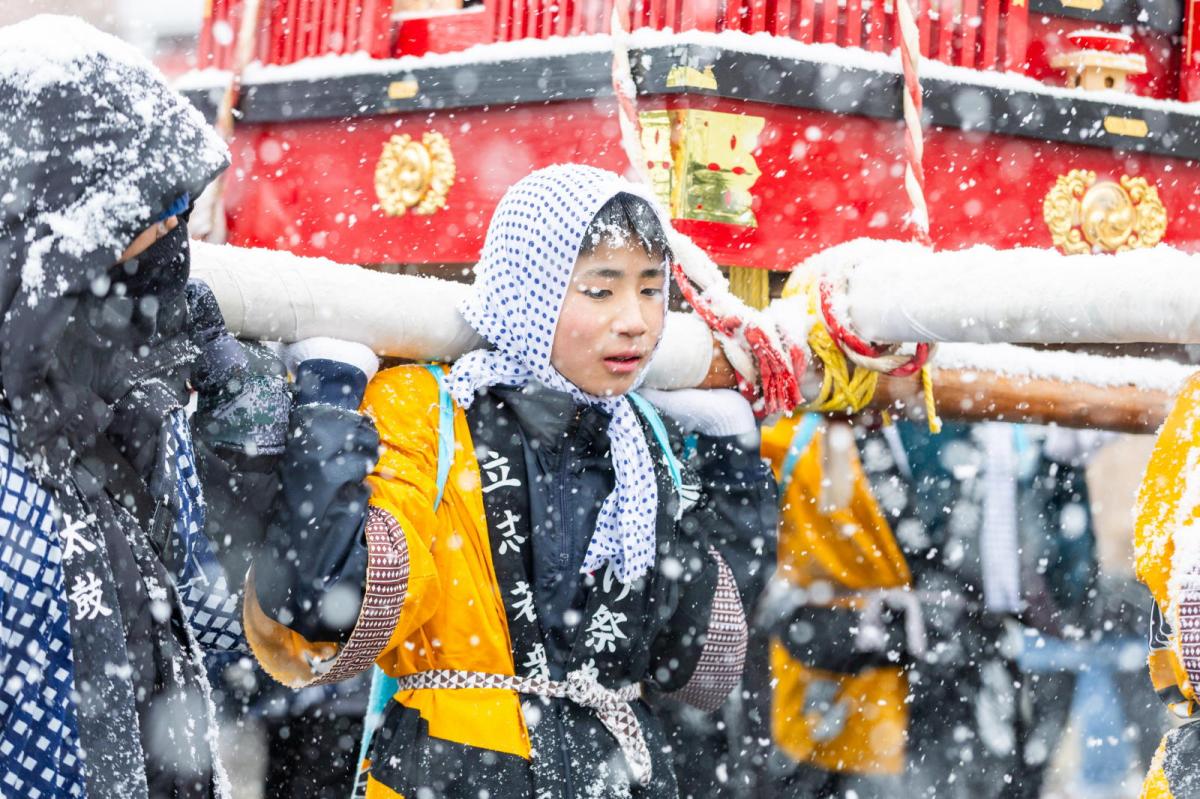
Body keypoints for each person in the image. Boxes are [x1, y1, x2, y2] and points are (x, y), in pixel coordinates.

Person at [242, 164, 769, 798]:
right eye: (600, 291)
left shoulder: (641, 439)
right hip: (458, 774)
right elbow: (324, 602)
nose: (635, 320)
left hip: (623, 777)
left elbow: (697, 660)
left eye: (651, 289)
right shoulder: (429, 409)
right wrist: (330, 401)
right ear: (531, 289)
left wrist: (730, 462)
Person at [0, 14, 274, 799]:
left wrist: (245, 464)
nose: (165, 246)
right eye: (138, 222)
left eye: (175, 219)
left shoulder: (130, 408)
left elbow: (217, 634)